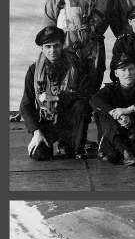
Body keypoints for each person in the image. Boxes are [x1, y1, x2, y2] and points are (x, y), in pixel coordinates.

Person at [43, 0, 112, 95]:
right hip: (67, 44)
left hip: (94, 46)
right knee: (67, 84)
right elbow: (49, 20)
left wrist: (93, 32)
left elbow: (109, 18)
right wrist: (53, 47)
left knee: (93, 83)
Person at [20, 26, 90, 160]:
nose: (52, 51)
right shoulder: (33, 70)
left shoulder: (75, 65)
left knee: (82, 105)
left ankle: (74, 145)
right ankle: (45, 140)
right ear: (42, 48)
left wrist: (57, 97)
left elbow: (85, 94)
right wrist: (36, 132)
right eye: (48, 46)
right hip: (47, 119)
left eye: (56, 46)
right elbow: (25, 105)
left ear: (62, 45)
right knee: (39, 155)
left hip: (69, 120)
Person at [90, 53, 135, 165]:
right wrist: (117, 114)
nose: (127, 73)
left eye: (131, 69)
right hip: (114, 137)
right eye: (123, 70)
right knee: (102, 113)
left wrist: (128, 110)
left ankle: (127, 152)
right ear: (116, 73)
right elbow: (95, 100)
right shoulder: (111, 89)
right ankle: (124, 151)